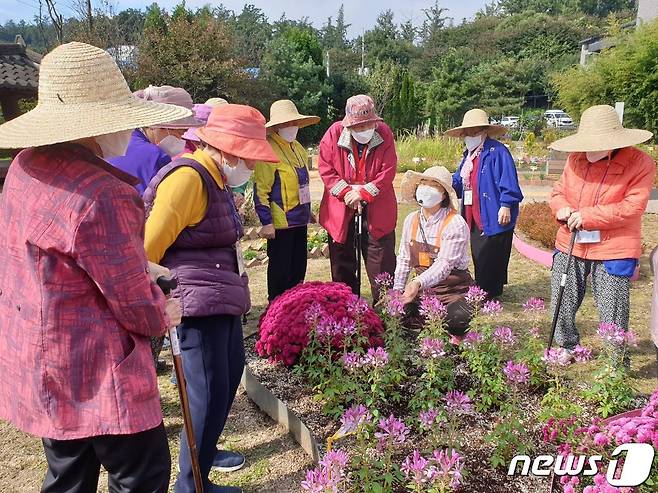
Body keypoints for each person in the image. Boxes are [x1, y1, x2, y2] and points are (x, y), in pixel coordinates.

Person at [0, 42, 188, 492]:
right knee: (140, 475)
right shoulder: (104, 193)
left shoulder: (26, 166)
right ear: (95, 126)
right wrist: (164, 312)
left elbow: (54, 254)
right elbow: (134, 304)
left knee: (67, 475)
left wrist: (139, 264)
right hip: (99, 370)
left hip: (44, 356)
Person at [142, 104, 278, 493]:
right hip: (196, 306)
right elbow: (148, 249)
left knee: (226, 381)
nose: (251, 167)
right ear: (227, 149)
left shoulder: (216, 178)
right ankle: (191, 486)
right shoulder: (188, 179)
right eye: (249, 157)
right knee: (202, 397)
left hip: (219, 301)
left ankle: (200, 474)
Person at [549, 104, 655, 365]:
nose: (588, 150)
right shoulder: (576, 158)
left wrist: (588, 216)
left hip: (614, 246)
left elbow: (633, 206)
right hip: (571, 241)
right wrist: (560, 208)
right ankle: (567, 345)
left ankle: (615, 360)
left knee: (613, 306)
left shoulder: (640, 163)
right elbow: (558, 191)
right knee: (562, 296)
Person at [318, 94, 398, 302]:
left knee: (381, 264)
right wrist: (347, 193)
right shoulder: (334, 134)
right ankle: (345, 311)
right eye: (358, 127)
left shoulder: (384, 133)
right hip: (341, 209)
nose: (364, 130)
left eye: (367, 125)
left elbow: (387, 170)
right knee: (342, 263)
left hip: (378, 208)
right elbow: (326, 169)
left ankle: (386, 314)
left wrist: (363, 192)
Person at [448, 109, 523, 299]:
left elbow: (508, 180)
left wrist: (506, 204)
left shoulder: (497, 151)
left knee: (492, 253)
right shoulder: (468, 157)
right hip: (472, 213)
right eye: (467, 133)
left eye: (475, 132)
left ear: (484, 131)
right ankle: (484, 287)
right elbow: (459, 182)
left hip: (493, 212)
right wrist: (444, 182)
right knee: (479, 252)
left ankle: (488, 291)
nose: (470, 136)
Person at [395, 166, 474, 335]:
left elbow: (444, 265)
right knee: (389, 313)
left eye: (434, 185)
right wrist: (397, 291)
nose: (426, 188)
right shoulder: (411, 220)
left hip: (452, 292)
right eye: (423, 183)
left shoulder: (455, 223)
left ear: (444, 194)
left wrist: (417, 282)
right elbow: (404, 259)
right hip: (423, 292)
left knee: (456, 320)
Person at [254, 99, 320, 301]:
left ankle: (295, 309)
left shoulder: (298, 147)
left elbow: (302, 183)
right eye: (286, 123)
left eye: (294, 123)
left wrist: (308, 210)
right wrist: (266, 222)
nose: (291, 127)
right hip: (281, 223)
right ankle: (275, 312)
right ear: (276, 126)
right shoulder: (268, 150)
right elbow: (261, 189)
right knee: (280, 273)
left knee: (298, 268)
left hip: (300, 219)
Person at [108, 85, 202, 195]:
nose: (180, 139)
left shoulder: (114, 142)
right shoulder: (155, 156)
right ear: (159, 126)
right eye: (180, 132)